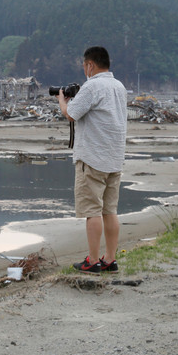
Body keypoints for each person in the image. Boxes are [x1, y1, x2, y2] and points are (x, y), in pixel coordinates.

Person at [57, 46, 127, 273]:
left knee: (93, 211)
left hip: (92, 158)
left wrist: (62, 100)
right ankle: (110, 259)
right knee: (110, 210)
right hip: (114, 157)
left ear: (90, 65)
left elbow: (71, 113)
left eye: (84, 66)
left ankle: (94, 260)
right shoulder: (119, 86)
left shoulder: (93, 85)